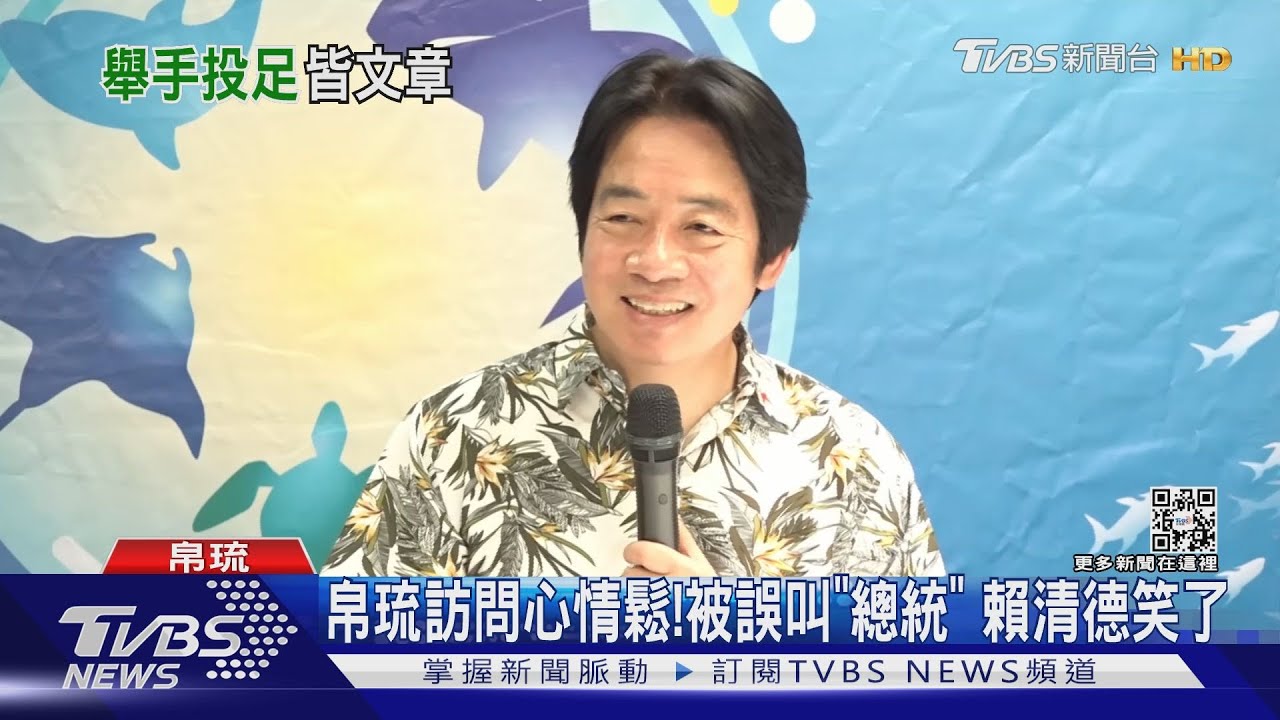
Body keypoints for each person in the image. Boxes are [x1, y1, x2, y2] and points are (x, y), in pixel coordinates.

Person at [320, 51, 945, 579]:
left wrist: (738, 655)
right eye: (623, 218)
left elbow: (916, 675)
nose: (655, 261)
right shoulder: (451, 435)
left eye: (701, 227)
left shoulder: (852, 458)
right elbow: (350, 669)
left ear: (772, 258)